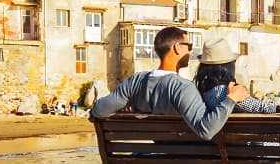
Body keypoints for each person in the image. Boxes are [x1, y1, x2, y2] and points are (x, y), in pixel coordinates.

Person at [91, 27, 249, 140]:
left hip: (152, 153)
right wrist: (232, 99)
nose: (190, 52)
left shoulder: (136, 80)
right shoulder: (183, 87)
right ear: (177, 48)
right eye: (189, 46)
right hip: (180, 157)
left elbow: (98, 110)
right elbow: (206, 131)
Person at [194, 38, 280, 113]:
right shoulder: (227, 92)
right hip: (247, 150)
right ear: (228, 66)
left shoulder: (200, 92)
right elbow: (262, 107)